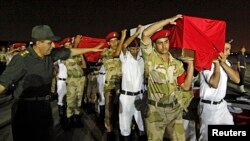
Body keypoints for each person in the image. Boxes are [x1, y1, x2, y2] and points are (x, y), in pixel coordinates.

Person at [0, 25, 103, 141]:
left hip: (44, 107)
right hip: (26, 110)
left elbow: (69, 51)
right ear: (38, 43)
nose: (53, 45)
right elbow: (2, 84)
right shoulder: (22, 59)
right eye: (49, 43)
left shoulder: (50, 55)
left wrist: (91, 49)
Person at [141, 14, 194, 141]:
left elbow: (185, 86)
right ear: (154, 45)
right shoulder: (150, 58)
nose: (164, 46)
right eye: (160, 43)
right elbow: (145, 34)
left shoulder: (177, 63)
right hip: (155, 111)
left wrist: (191, 65)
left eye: (166, 42)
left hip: (175, 111)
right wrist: (168, 21)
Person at [198, 42, 240, 141]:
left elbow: (237, 80)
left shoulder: (226, 63)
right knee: (206, 137)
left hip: (221, 105)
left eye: (229, 49)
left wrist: (222, 63)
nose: (229, 52)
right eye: (226, 49)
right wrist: (216, 64)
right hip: (208, 107)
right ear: (218, 50)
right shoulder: (206, 62)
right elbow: (214, 83)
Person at [118, 25, 146, 141]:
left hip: (140, 96)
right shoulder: (125, 58)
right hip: (126, 97)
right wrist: (136, 34)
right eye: (133, 48)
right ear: (129, 49)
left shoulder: (142, 59)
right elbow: (123, 45)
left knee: (142, 124)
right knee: (125, 126)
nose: (135, 50)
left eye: (137, 48)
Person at [102, 29, 126, 140]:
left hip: (122, 85)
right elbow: (115, 54)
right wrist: (123, 37)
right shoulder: (106, 52)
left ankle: (121, 129)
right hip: (110, 86)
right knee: (109, 111)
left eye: (116, 40)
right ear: (108, 43)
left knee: (121, 109)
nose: (115, 43)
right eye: (112, 41)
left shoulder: (123, 51)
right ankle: (109, 131)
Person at [60, 36, 88, 128]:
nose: (69, 47)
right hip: (72, 80)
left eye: (70, 44)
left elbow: (84, 66)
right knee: (71, 100)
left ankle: (77, 118)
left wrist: (81, 55)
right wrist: (76, 43)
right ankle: (69, 119)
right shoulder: (64, 55)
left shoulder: (78, 53)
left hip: (81, 79)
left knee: (79, 100)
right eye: (66, 45)